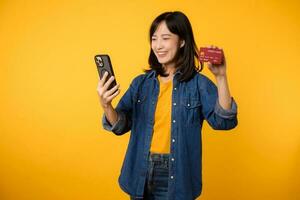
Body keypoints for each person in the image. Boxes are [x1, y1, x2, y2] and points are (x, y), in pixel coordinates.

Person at [97, 11, 238, 200]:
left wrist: (221, 77)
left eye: (165, 38)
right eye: (154, 39)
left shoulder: (198, 84)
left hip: (178, 174)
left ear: (182, 41)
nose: (158, 45)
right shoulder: (141, 84)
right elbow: (120, 125)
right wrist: (106, 105)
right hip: (140, 169)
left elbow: (223, 122)